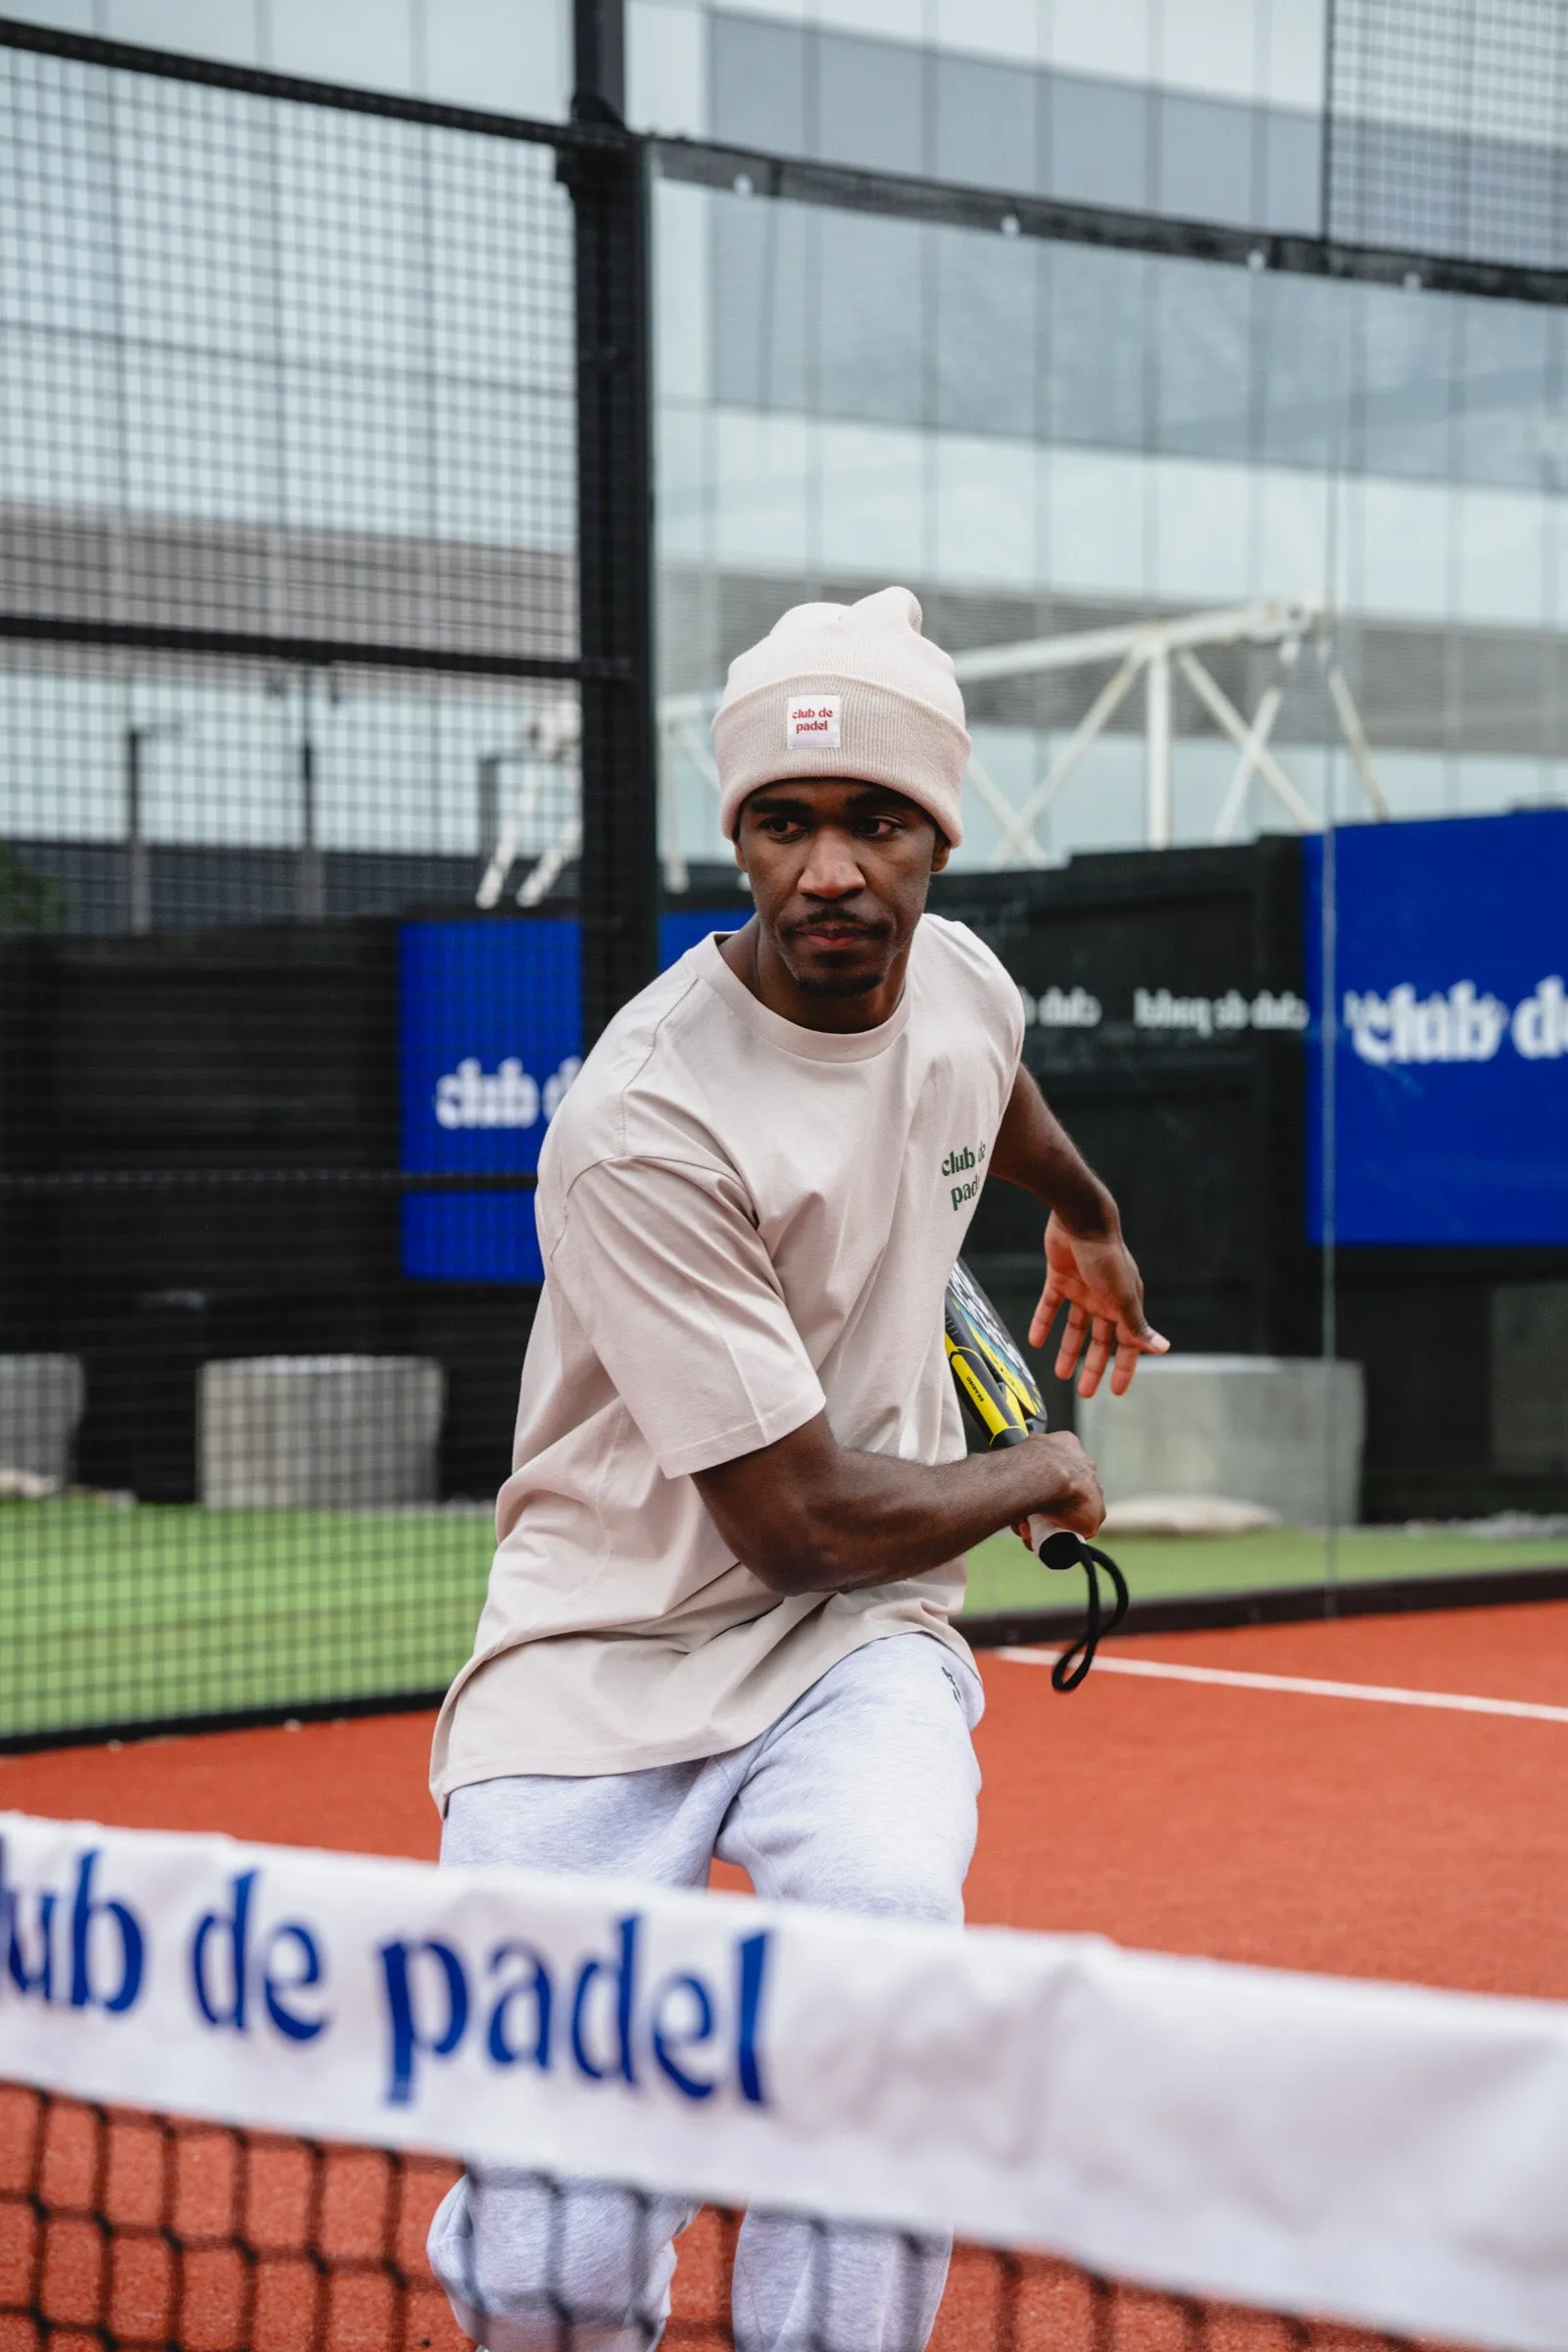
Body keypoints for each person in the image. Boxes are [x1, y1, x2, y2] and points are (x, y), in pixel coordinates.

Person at [426, 586, 1167, 2351]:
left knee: (886, 1938)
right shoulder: (642, 1120)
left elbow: (994, 1079)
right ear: (740, 835)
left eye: (877, 822)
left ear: (938, 837)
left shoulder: (965, 982)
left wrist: (1089, 1216)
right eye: (786, 820)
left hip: (856, 1653)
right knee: (558, 2267)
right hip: (597, 1658)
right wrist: (1037, 1471)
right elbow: (801, 1518)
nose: (831, 869)